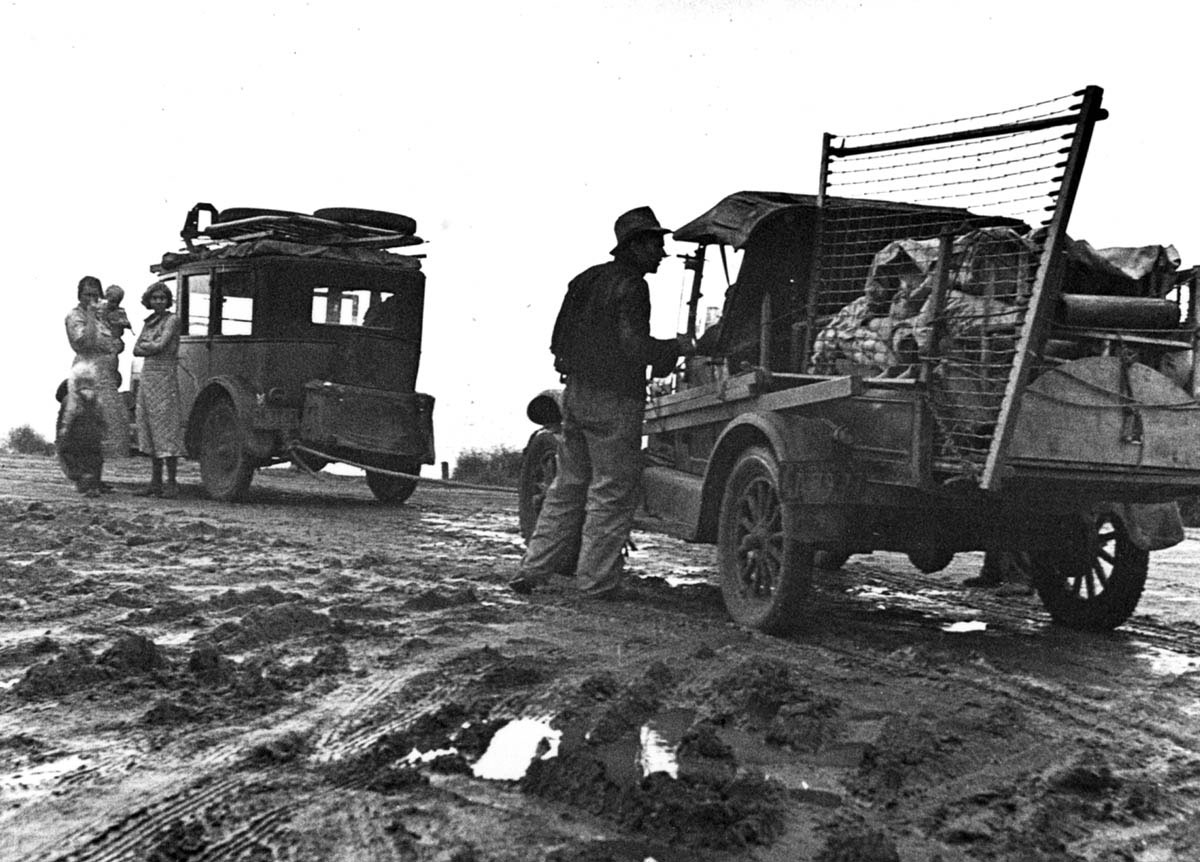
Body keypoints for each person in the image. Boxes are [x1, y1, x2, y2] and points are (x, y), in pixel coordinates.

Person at [510, 206, 695, 599]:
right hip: (615, 401)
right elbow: (634, 347)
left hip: (576, 396)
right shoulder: (633, 286)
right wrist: (673, 349)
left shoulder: (584, 280)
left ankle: (532, 570)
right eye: (656, 244)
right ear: (636, 246)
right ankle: (596, 584)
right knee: (610, 493)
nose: (662, 253)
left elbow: (557, 343)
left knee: (567, 487)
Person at [64, 275, 127, 466]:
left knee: (105, 424)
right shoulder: (75, 316)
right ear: (79, 295)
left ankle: (96, 475)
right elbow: (84, 342)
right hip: (86, 372)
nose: (91, 299)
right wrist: (91, 315)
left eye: (95, 295)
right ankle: (86, 474)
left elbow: (116, 342)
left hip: (105, 373)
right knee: (86, 425)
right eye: (87, 294)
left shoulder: (103, 315)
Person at [133, 281, 185, 498]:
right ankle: (155, 482)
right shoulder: (150, 321)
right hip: (148, 377)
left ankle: (171, 482)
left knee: (166, 427)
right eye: (155, 298)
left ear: (168, 300)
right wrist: (149, 346)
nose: (158, 302)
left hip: (164, 377)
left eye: (162, 298)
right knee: (150, 426)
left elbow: (160, 345)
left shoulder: (172, 319)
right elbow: (137, 349)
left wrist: (149, 346)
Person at [56, 363, 106, 497]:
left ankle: (81, 478)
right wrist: (103, 433)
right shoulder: (98, 398)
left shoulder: (72, 398)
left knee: (69, 456)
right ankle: (94, 486)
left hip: (76, 434)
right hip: (94, 434)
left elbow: (69, 416)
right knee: (93, 459)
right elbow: (101, 417)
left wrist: (64, 431)